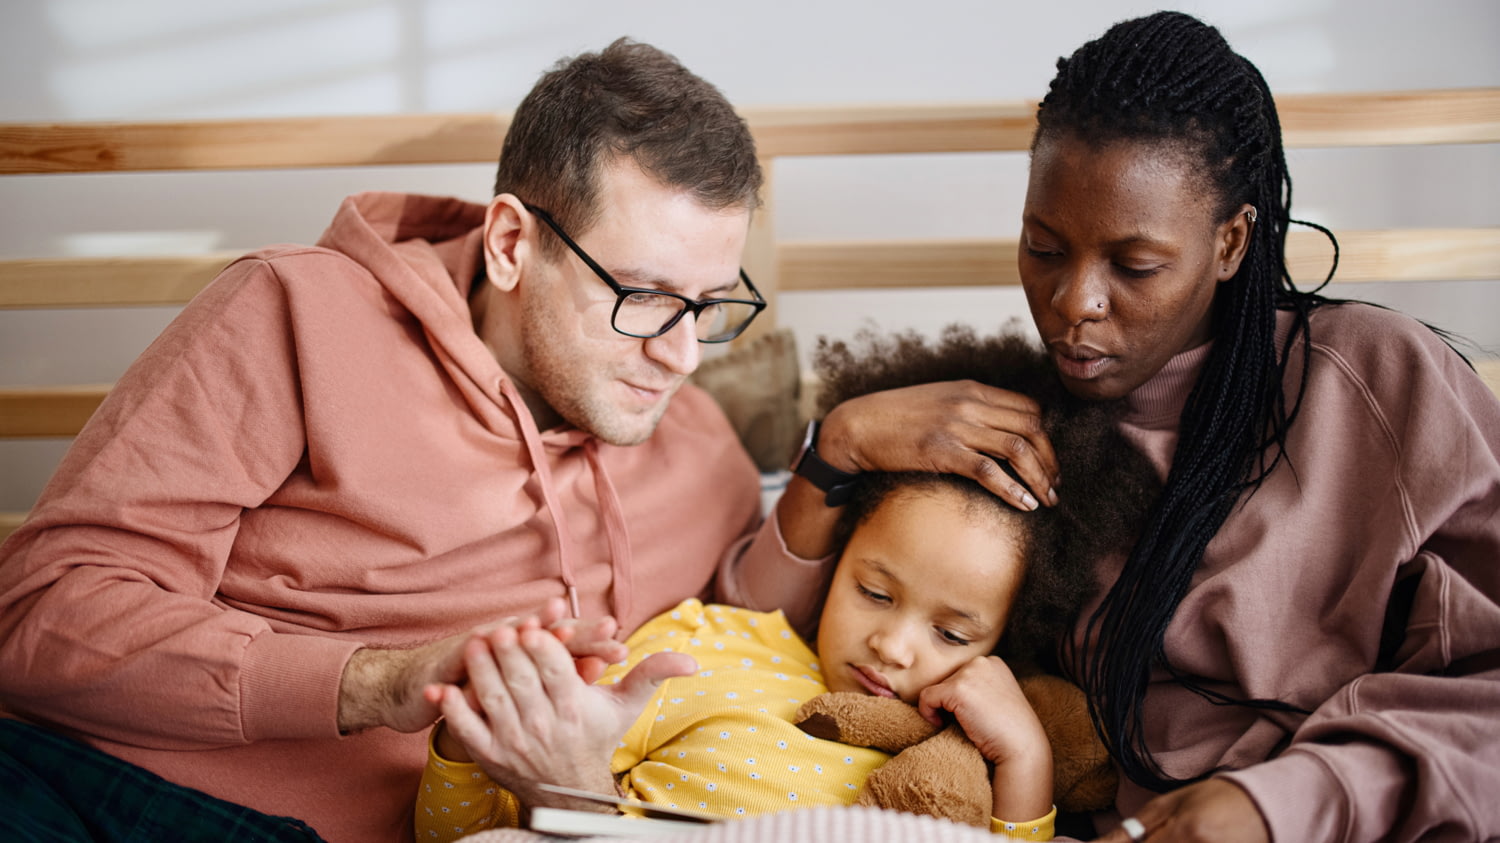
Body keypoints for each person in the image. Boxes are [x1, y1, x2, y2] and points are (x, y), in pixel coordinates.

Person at [0, 39, 809, 842]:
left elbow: (787, 633)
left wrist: (847, 445)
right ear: (510, 244)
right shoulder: (297, 312)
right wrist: (381, 681)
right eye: (644, 295)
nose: (681, 354)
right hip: (89, 786)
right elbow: (38, 615)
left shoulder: (700, 448)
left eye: (710, 304)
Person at [742, 12, 1500, 843]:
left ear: (1232, 241)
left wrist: (1284, 801)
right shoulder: (1002, 422)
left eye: (1134, 266)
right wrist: (840, 443)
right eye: (1042, 246)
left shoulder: (1377, 383)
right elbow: (753, 632)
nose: (1074, 305)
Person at [413, 327, 1161, 842]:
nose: (893, 645)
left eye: (953, 633)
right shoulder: (707, 645)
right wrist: (467, 738)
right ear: (839, 556)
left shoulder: (979, 744)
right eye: (875, 591)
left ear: (1005, 640)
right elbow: (470, 826)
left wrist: (1026, 760)